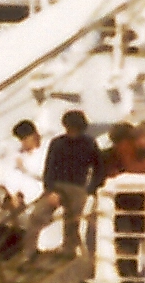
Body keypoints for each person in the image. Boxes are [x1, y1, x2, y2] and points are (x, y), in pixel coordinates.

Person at [37, 109, 101, 256]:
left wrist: (91, 189)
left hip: (77, 187)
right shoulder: (57, 143)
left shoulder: (89, 143)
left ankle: (69, 249)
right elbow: (49, 168)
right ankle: (30, 251)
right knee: (37, 215)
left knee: (73, 218)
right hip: (57, 186)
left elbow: (99, 168)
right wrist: (50, 190)